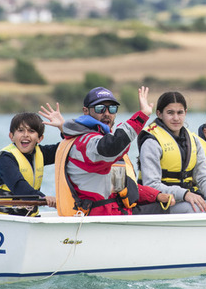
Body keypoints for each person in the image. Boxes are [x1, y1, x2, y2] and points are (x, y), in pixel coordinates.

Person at [54, 85, 173, 216]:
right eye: (100, 108)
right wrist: (142, 116)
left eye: (112, 109)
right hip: (97, 219)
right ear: (86, 111)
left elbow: (122, 187)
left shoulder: (101, 140)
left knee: (167, 205)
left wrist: (156, 195)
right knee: (174, 211)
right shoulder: (86, 142)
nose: (107, 114)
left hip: (115, 214)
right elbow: (112, 146)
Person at [136, 91, 206, 214]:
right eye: (170, 113)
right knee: (200, 209)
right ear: (159, 114)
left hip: (186, 198)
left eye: (180, 112)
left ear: (185, 113)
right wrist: (184, 194)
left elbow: (203, 176)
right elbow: (151, 185)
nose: (176, 118)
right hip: (159, 204)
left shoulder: (193, 140)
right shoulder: (151, 142)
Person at [0, 106, 65, 216]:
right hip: (4, 219)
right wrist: (43, 197)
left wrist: (63, 127)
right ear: (11, 136)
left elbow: (67, 148)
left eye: (31, 131)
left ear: (40, 138)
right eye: (20, 130)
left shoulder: (41, 153)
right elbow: (19, 187)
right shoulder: (6, 158)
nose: (25, 135)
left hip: (31, 217)